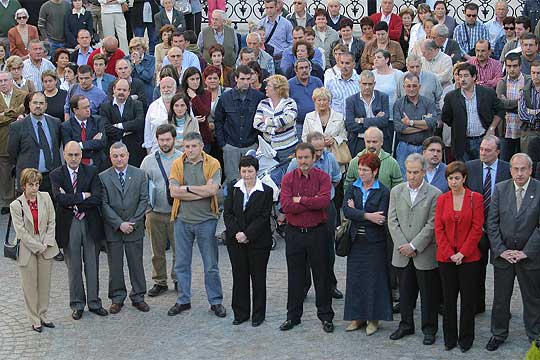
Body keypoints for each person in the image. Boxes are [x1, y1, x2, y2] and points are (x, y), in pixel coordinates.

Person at [167, 131, 226, 318]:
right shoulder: (177, 163)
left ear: (201, 146)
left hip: (206, 220)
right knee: (182, 264)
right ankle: (183, 300)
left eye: (194, 146)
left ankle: (215, 301)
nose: (190, 150)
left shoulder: (213, 163)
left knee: (210, 264)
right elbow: (174, 192)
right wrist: (201, 192)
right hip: (182, 220)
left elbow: (212, 190)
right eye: (187, 146)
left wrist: (187, 189)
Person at [486, 153, 540, 350]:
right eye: (515, 169)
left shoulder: (539, 189)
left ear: (530, 170)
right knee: (500, 299)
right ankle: (498, 334)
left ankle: (535, 335)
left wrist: (526, 252)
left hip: (530, 257)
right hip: (504, 257)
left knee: (533, 299)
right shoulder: (500, 189)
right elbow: (492, 223)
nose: (519, 173)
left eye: (523, 169)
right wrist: (501, 250)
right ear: (510, 170)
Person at [279, 142, 335, 333]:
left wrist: (300, 199)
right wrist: (311, 202)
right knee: (295, 277)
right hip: (294, 234)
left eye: (306, 157)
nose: (303, 161)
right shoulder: (287, 179)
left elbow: (324, 202)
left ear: (313, 158)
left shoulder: (323, 177)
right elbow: (286, 206)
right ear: (295, 158)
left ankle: (326, 317)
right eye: (299, 157)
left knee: (322, 276)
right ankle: (293, 317)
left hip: (317, 232)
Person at [50, 141, 108, 320]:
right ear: (64, 155)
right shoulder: (56, 174)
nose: (73, 158)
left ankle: (94, 302)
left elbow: (97, 198)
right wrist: (83, 195)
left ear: (81, 155)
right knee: (73, 266)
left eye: (76, 155)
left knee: (92, 264)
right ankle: (77, 304)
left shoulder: (91, 171)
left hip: (89, 222)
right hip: (69, 224)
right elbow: (60, 199)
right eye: (70, 155)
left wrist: (73, 201)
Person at [388, 153, 441, 345]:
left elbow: (432, 224)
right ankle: (406, 324)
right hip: (401, 252)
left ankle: (429, 328)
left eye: (416, 172)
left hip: (424, 252)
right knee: (405, 291)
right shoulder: (396, 191)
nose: (412, 176)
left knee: (428, 294)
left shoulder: (435, 193)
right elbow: (392, 220)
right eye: (409, 172)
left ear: (424, 172)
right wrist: (403, 244)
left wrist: (413, 245)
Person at [434, 160, 484, 352]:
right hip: (446, 257)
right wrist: (450, 253)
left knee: (468, 299)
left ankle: (466, 338)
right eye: (450, 178)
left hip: (469, 257)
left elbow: (477, 228)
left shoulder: (475, 198)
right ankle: (449, 337)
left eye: (456, 178)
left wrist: (463, 252)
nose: (453, 182)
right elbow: (438, 229)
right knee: (448, 299)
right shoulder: (442, 199)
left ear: (464, 178)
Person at [286, 132, 342, 299]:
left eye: (321, 149)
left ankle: (330, 285)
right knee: (303, 251)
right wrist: (311, 200)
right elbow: (289, 191)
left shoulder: (330, 159)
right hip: (301, 211)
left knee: (327, 249)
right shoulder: (294, 164)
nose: (319, 154)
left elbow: (336, 179)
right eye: (315, 150)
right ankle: (303, 286)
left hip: (326, 208)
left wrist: (321, 196)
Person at [343, 152, 392, 334]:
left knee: (374, 281)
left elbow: (381, 218)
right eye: (360, 169)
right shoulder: (353, 187)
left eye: (365, 170)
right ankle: (357, 317)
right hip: (356, 240)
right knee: (355, 280)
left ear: (375, 171)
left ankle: (373, 318)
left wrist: (359, 213)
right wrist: (367, 215)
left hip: (375, 241)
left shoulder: (383, 191)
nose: (361, 173)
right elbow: (346, 211)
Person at [99, 141, 149, 314]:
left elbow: (144, 200)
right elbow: (103, 204)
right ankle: (117, 298)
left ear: (128, 155)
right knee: (115, 266)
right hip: (114, 229)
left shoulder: (140, 174)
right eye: (115, 156)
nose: (119, 159)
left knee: (136, 264)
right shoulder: (103, 177)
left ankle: (139, 296)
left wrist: (132, 223)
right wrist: (119, 223)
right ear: (110, 157)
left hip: (134, 228)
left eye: (122, 155)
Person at [223, 155, 273, 326]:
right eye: (244, 171)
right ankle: (241, 313)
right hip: (236, 241)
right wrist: (237, 232)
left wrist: (248, 234)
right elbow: (228, 213)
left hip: (258, 242)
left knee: (258, 278)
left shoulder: (266, 190)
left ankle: (258, 314)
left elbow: (263, 217)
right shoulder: (233, 188)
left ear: (256, 171)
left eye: (250, 171)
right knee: (239, 277)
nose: (247, 175)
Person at [464, 135, 511, 315]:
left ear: (498, 152)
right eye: (482, 149)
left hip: (501, 229)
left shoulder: (507, 170)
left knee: (502, 271)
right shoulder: (470, 167)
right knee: (477, 268)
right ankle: (478, 305)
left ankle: (501, 309)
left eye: (488, 150)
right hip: (477, 230)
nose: (483, 153)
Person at [10, 168, 59, 333]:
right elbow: (21, 231)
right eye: (31, 185)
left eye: (37, 184)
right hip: (27, 247)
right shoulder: (16, 205)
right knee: (29, 285)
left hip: (46, 243)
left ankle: (43, 314)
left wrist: (47, 241)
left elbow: (52, 220)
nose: (34, 188)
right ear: (24, 185)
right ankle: (34, 318)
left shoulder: (45, 198)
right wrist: (38, 246)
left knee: (44, 284)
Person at [140, 124, 182, 297]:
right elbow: (142, 185)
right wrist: (147, 209)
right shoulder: (148, 160)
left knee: (179, 251)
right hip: (155, 213)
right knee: (156, 252)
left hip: (177, 213)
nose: (165, 143)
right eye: (161, 139)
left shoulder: (182, 158)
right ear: (157, 140)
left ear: (174, 139)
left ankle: (179, 279)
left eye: (168, 139)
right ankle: (160, 281)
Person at [441, 62, 505, 161]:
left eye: (466, 76)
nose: (462, 79)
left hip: (483, 139)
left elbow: (500, 109)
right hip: (462, 142)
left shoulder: (487, 93)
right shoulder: (451, 96)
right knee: (465, 171)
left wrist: (492, 128)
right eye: (460, 76)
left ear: (474, 77)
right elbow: (446, 117)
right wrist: (458, 126)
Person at [214, 65, 264, 183]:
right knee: (232, 181)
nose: (245, 82)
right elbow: (218, 121)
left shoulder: (259, 97)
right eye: (242, 79)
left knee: (251, 180)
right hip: (231, 146)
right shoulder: (225, 98)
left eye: (248, 79)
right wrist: (223, 144)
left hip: (251, 145)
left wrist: (257, 143)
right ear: (236, 78)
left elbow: (262, 121)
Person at [8, 91, 62, 196]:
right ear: (29, 104)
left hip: (51, 177)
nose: (38, 106)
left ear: (46, 106)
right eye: (35, 103)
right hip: (29, 178)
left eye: (41, 103)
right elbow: (12, 152)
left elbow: (57, 146)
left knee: (51, 209)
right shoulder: (17, 126)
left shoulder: (55, 123)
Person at [393, 72, 439, 178]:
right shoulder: (398, 104)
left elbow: (432, 123)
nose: (411, 89)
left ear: (420, 86)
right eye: (408, 86)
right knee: (404, 178)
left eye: (414, 86)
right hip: (405, 147)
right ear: (404, 87)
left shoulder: (429, 103)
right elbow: (399, 128)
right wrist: (424, 126)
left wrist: (410, 123)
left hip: (425, 147)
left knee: (426, 177)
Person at [100, 78, 145, 167]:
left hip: (133, 151)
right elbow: (105, 127)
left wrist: (119, 125)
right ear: (114, 90)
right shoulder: (105, 107)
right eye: (119, 89)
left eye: (124, 90)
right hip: (111, 150)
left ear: (129, 92)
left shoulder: (137, 104)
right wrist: (124, 132)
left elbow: (139, 123)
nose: (121, 92)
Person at [253, 74, 298, 162]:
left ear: (278, 89)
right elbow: (256, 123)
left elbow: (286, 120)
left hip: (288, 148)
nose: (265, 88)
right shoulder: (263, 103)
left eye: (269, 86)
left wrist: (266, 120)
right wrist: (272, 130)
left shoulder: (290, 103)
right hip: (268, 148)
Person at [345, 70, 390, 156]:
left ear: (374, 84)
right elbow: (349, 125)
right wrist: (376, 121)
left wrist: (362, 121)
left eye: (370, 84)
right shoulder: (351, 100)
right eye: (364, 84)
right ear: (359, 83)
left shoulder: (383, 97)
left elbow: (384, 121)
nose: (367, 87)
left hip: (379, 142)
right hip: (359, 141)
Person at [345, 126, 402, 191]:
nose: (371, 146)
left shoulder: (392, 163)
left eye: (374, 142)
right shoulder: (354, 162)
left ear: (382, 142)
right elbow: (347, 187)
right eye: (368, 142)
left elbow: (398, 189)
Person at [0, 70, 25, 215]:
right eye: (0, 81)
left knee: (23, 170)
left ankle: (24, 199)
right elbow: (18, 114)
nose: (3, 83)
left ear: (11, 81)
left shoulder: (22, 95)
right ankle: (6, 201)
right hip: (3, 141)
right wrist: (15, 114)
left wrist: (4, 114)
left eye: (5, 80)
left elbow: (25, 112)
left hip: (22, 140)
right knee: (4, 173)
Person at [61, 94, 107, 171]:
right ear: (75, 110)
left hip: (98, 164)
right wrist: (93, 142)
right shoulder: (66, 126)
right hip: (78, 165)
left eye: (88, 106)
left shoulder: (97, 121)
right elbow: (70, 149)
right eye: (84, 108)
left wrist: (79, 144)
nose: (88, 110)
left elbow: (102, 143)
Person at [496, 53, 526, 161]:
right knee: (505, 161)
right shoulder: (501, 82)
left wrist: (509, 103)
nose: (512, 69)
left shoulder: (527, 81)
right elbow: (500, 103)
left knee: (523, 160)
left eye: (514, 66)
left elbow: (527, 103)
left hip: (523, 127)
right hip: (506, 127)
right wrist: (519, 102)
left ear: (520, 66)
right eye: (509, 66)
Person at [289, 58, 324, 137]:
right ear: (296, 70)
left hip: (317, 121)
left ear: (310, 69)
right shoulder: (289, 84)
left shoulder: (317, 81)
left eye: (306, 67)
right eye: (301, 68)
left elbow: (324, 98)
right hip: (299, 124)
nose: (304, 70)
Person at [143, 76, 176, 153]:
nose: (166, 90)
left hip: (179, 151)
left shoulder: (183, 104)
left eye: (169, 87)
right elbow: (147, 132)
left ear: (175, 88)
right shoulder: (153, 107)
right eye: (163, 87)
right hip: (157, 151)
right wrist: (149, 151)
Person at [182, 67, 213, 149]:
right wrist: (193, 119)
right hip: (186, 135)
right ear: (186, 80)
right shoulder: (181, 95)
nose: (195, 82)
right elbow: (179, 114)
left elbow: (205, 112)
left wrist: (195, 97)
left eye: (197, 79)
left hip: (203, 136)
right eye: (192, 79)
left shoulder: (206, 94)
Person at [258, 0, 293, 73]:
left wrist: (285, 54)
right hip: (266, 59)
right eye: (267, 8)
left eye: (271, 7)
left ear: (276, 7)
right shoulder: (261, 24)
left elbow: (291, 43)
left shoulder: (286, 24)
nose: (269, 10)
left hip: (281, 59)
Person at [326, 51, 360, 116]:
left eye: (347, 63)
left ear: (354, 65)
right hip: (336, 121)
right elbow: (328, 104)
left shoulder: (360, 81)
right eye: (342, 63)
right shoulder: (331, 83)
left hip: (355, 120)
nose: (344, 66)